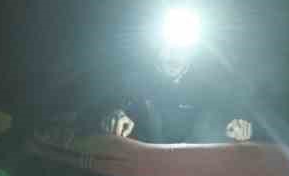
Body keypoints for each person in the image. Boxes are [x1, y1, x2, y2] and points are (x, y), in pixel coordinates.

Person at [97, 35, 254, 143]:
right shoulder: (132, 83)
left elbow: (235, 119)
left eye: (182, 49)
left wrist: (240, 128)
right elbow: (95, 110)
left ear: (192, 54)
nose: (174, 54)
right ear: (155, 50)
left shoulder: (208, 88)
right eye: (167, 47)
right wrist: (111, 115)